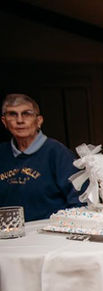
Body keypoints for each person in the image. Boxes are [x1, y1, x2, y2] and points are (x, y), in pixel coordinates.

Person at [0, 93, 83, 221]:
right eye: (12, 114)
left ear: (39, 121)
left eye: (27, 114)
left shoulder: (58, 153)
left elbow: (79, 202)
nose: (20, 120)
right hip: (7, 231)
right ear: (4, 121)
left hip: (49, 230)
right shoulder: (2, 153)